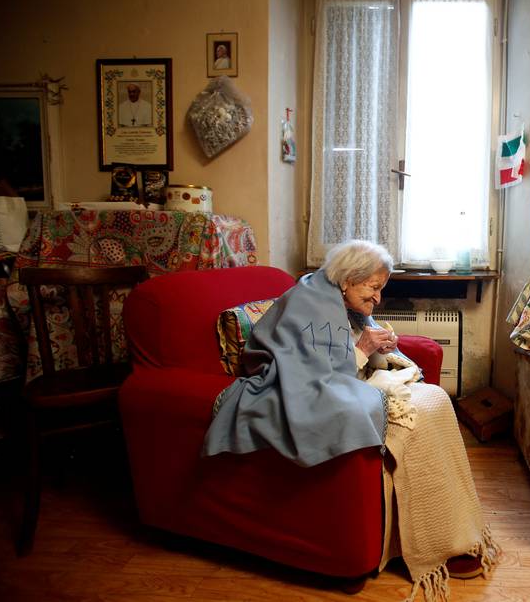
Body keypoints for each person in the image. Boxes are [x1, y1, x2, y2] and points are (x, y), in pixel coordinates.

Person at [202, 240, 499, 600]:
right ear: (346, 279)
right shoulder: (307, 302)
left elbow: (348, 353)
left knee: (435, 399)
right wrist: (364, 349)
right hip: (297, 384)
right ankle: (422, 541)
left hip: (344, 380)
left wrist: (382, 348)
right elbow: (310, 371)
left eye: (380, 290)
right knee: (410, 420)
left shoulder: (344, 298)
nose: (377, 299)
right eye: (373, 289)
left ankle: (447, 530)